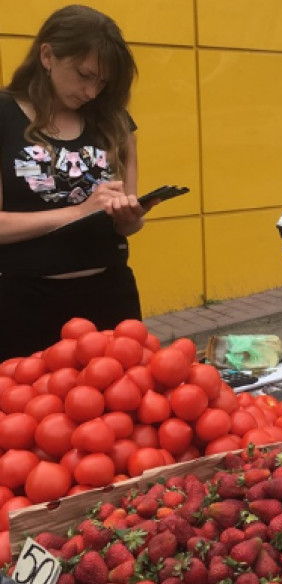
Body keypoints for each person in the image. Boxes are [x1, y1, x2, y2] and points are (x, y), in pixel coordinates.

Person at [0, 5, 154, 360]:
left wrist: (130, 217)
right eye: (85, 75)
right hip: (27, 304)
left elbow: (128, 226)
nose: (91, 92)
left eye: (102, 83)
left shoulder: (113, 121)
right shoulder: (4, 115)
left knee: (123, 411)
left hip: (111, 297)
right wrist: (81, 211)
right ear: (48, 55)